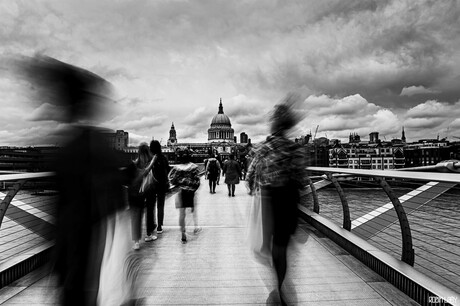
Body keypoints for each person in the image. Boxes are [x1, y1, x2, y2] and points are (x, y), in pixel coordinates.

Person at [19, 55, 126, 305]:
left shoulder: (76, 150)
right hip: (91, 266)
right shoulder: (100, 147)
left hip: (83, 268)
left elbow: (71, 215)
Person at [246, 98, 308, 305]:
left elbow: (250, 175)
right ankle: (281, 283)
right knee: (282, 244)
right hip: (289, 199)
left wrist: (253, 188)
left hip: (268, 198)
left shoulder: (262, 148)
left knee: (272, 245)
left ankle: (277, 279)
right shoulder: (295, 149)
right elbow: (301, 179)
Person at [168, 151, 201, 243]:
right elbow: (197, 181)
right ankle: (195, 226)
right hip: (191, 192)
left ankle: (183, 233)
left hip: (181, 192)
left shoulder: (176, 168)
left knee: (182, 214)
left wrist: (180, 183)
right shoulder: (194, 167)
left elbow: (171, 179)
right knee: (192, 210)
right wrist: (192, 188)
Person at [144, 140, 170, 234]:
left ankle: (151, 226)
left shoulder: (148, 159)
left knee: (150, 206)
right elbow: (167, 169)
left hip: (151, 185)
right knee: (160, 205)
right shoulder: (163, 158)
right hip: (161, 184)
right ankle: (159, 226)